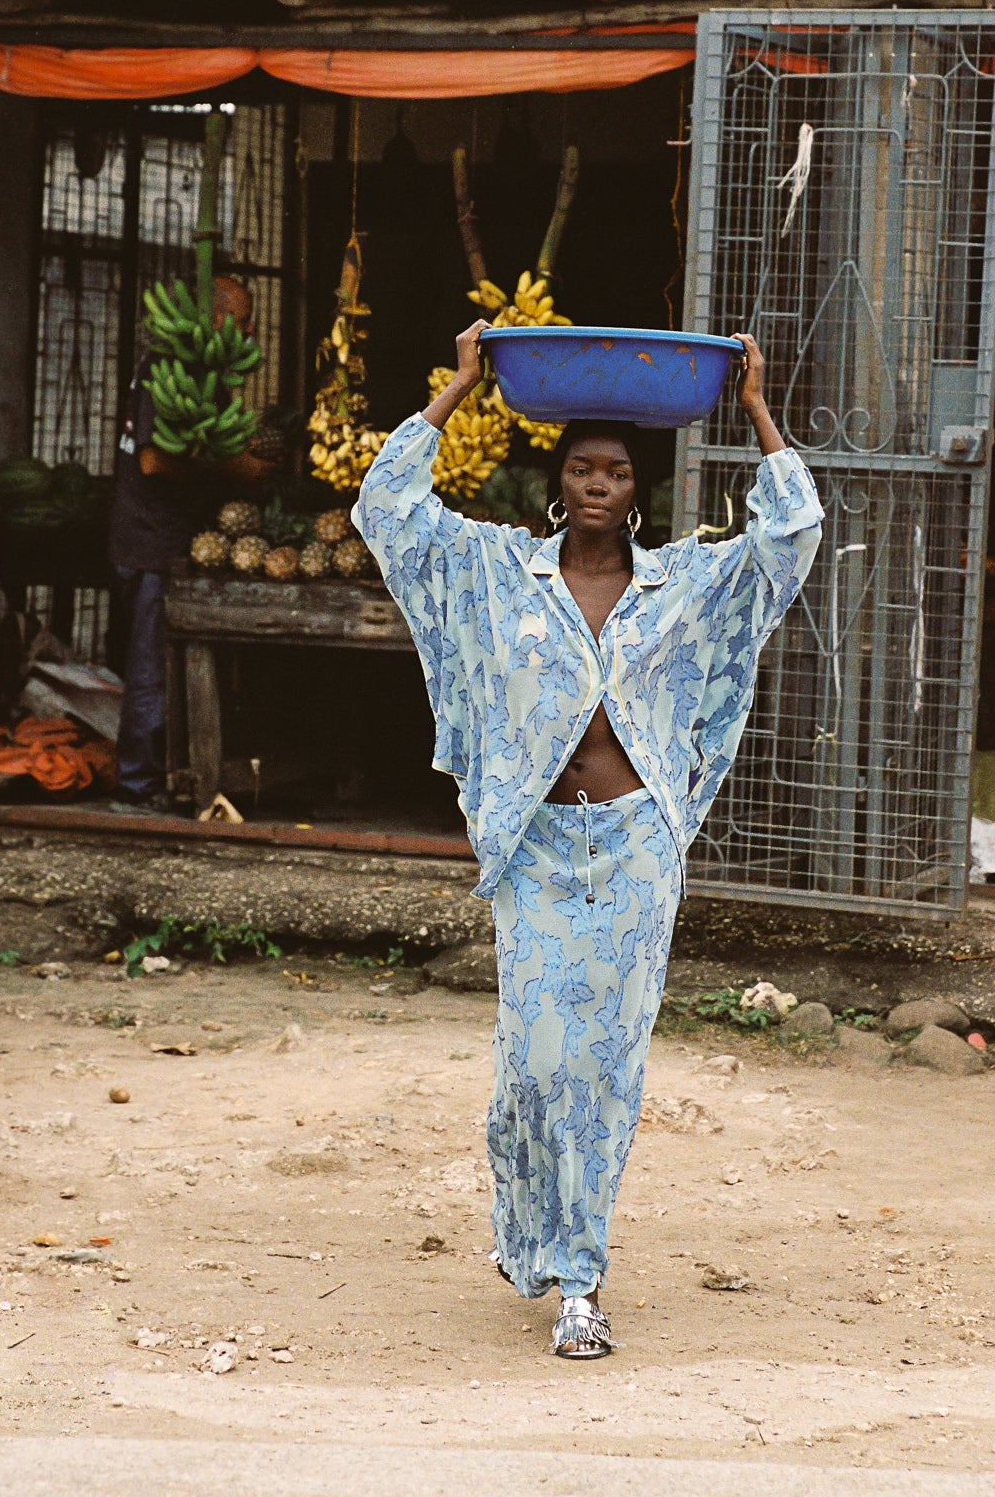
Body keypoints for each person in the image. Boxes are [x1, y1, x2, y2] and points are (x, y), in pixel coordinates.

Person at [352, 319, 823, 1358]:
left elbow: (790, 538)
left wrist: (751, 403)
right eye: (580, 466)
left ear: (635, 484)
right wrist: (461, 382)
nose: (598, 481)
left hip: (636, 846)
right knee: (533, 1057)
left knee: (604, 1065)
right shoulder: (492, 572)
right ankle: (532, 1234)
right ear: (558, 482)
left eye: (614, 468)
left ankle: (580, 1279)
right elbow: (385, 508)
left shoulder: (685, 585)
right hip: (536, 848)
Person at [109, 273, 269, 810]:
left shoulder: (206, 378)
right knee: (153, 671)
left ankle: (165, 778)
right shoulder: (167, 369)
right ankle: (136, 787)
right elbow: (154, 460)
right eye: (244, 319)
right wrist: (234, 467)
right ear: (216, 319)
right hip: (152, 543)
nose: (250, 332)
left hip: (171, 540)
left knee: (168, 672)